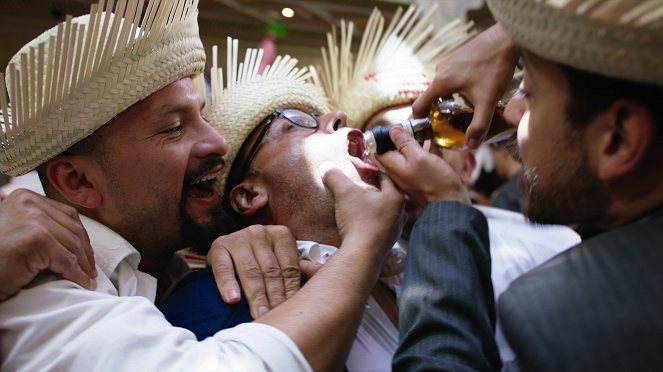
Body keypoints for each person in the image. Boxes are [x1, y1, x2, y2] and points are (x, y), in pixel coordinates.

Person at [0, 1, 405, 371]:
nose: (218, 144)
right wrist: (364, 244)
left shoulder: (170, 270)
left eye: (203, 117)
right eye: (174, 128)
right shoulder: (43, 284)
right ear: (78, 180)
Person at [381, 0, 663, 370]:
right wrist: (513, 35)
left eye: (529, 93)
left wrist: (443, 206)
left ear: (618, 139)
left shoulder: (557, 319)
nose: (511, 114)